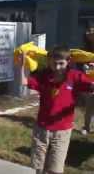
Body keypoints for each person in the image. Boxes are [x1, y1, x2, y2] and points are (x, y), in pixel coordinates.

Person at [19, 46, 94, 174]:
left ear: (68, 61)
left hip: (62, 131)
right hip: (41, 128)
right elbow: (25, 81)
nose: (57, 67)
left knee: (56, 168)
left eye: (61, 63)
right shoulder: (44, 75)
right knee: (39, 166)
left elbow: (91, 86)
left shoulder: (75, 76)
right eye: (54, 63)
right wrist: (23, 64)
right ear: (49, 61)